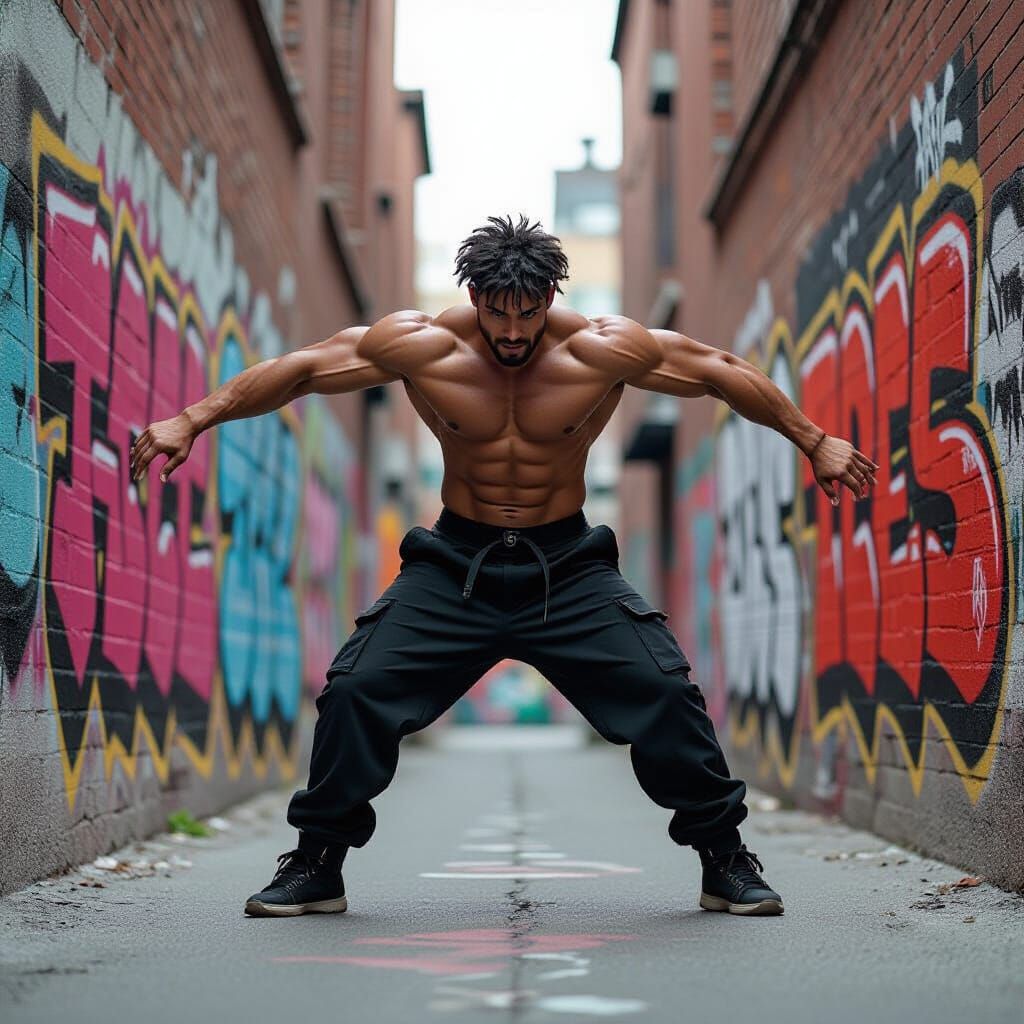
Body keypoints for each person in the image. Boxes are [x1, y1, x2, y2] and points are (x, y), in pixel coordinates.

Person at [131, 214, 877, 919]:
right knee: (357, 689)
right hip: (456, 562)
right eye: (498, 313)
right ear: (473, 297)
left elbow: (717, 369)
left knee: (662, 688)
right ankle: (317, 863)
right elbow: (300, 371)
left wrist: (813, 440)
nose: (512, 333)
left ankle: (724, 857)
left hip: (568, 567)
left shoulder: (604, 348)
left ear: (552, 297)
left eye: (527, 313)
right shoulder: (420, 345)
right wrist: (191, 419)